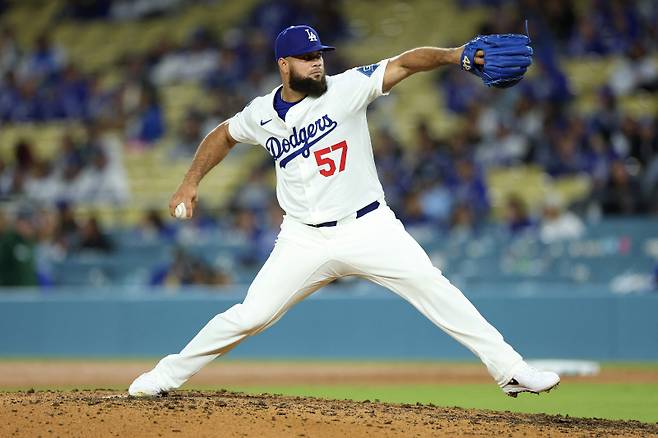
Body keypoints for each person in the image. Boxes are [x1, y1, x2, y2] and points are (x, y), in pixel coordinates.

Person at [129, 25, 560, 398]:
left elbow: (406, 63)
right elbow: (223, 134)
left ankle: (511, 370)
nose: (318, 64)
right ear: (284, 64)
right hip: (303, 238)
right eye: (308, 57)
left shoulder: (346, 88)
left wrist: (453, 56)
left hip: (369, 226)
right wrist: (190, 181)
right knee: (250, 315)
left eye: (320, 56)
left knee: (435, 288)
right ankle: (166, 375)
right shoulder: (261, 113)